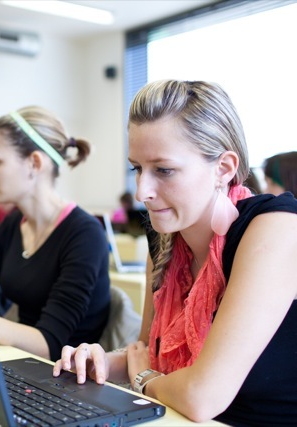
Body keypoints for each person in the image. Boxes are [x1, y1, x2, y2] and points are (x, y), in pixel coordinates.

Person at [54, 80, 297, 424]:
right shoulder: (165, 239)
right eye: (137, 168)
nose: (142, 192)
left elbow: (201, 397)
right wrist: (103, 362)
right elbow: (147, 354)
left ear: (223, 168)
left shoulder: (276, 229)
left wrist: (143, 381)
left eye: (163, 170)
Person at [0, 106, 110, 361]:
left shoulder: (84, 234)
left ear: (34, 163)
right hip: (19, 363)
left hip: (66, 380)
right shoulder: (14, 223)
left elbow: (51, 343)